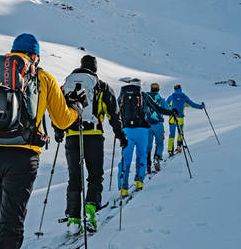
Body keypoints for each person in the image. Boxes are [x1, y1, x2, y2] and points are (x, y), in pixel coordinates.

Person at [0, 33, 85, 249]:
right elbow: (62, 121)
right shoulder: (43, 78)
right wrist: (77, 108)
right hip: (22, 155)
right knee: (12, 221)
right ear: (36, 56)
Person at [54, 55, 127, 232]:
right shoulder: (101, 86)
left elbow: (58, 109)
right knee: (95, 175)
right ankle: (90, 212)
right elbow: (114, 115)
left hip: (72, 135)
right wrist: (120, 135)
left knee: (74, 178)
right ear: (94, 68)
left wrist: (58, 132)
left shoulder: (67, 85)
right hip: (93, 135)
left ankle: (73, 219)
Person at [118, 78, 174, 197]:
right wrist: (171, 112)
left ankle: (123, 187)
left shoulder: (122, 95)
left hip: (126, 130)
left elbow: (116, 110)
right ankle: (139, 181)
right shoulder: (143, 96)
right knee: (141, 155)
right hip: (142, 130)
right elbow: (158, 109)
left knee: (125, 157)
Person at [166, 84, 205, 157]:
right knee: (180, 132)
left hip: (172, 118)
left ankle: (170, 150)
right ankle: (179, 146)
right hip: (180, 118)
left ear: (174, 89)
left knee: (172, 134)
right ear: (180, 89)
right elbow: (192, 104)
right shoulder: (184, 97)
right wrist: (201, 106)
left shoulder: (171, 97)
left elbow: (165, 105)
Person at [145, 83, 169, 173]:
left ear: (151, 89)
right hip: (158, 124)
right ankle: (157, 158)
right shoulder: (161, 100)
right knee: (159, 143)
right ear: (158, 90)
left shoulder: (145, 98)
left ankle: (147, 164)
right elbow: (168, 110)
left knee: (148, 145)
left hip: (147, 125)